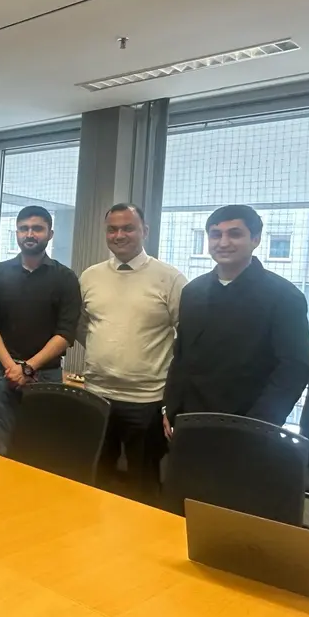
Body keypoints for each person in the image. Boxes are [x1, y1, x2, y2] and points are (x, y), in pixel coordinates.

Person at [163, 205, 309, 438]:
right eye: (216, 234)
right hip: (190, 420)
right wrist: (170, 408)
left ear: (255, 239)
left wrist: (259, 425)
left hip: (249, 424)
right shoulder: (193, 291)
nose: (223, 242)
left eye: (234, 234)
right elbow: (181, 357)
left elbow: (293, 369)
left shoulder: (284, 296)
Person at [78, 204, 186, 502]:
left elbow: (186, 336)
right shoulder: (90, 276)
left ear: (145, 231)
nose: (119, 235)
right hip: (97, 395)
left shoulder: (170, 278)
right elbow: (81, 325)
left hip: (147, 401)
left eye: (128, 228)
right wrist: (106, 350)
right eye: (112, 229)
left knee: (143, 484)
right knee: (93, 478)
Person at [0, 206, 81, 457]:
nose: (30, 234)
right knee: (1, 449)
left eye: (37, 228)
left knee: (41, 450)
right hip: (2, 373)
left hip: (45, 375)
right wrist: (12, 367)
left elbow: (66, 333)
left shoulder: (65, 278)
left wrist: (27, 368)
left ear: (50, 234)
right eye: (23, 228)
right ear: (16, 233)